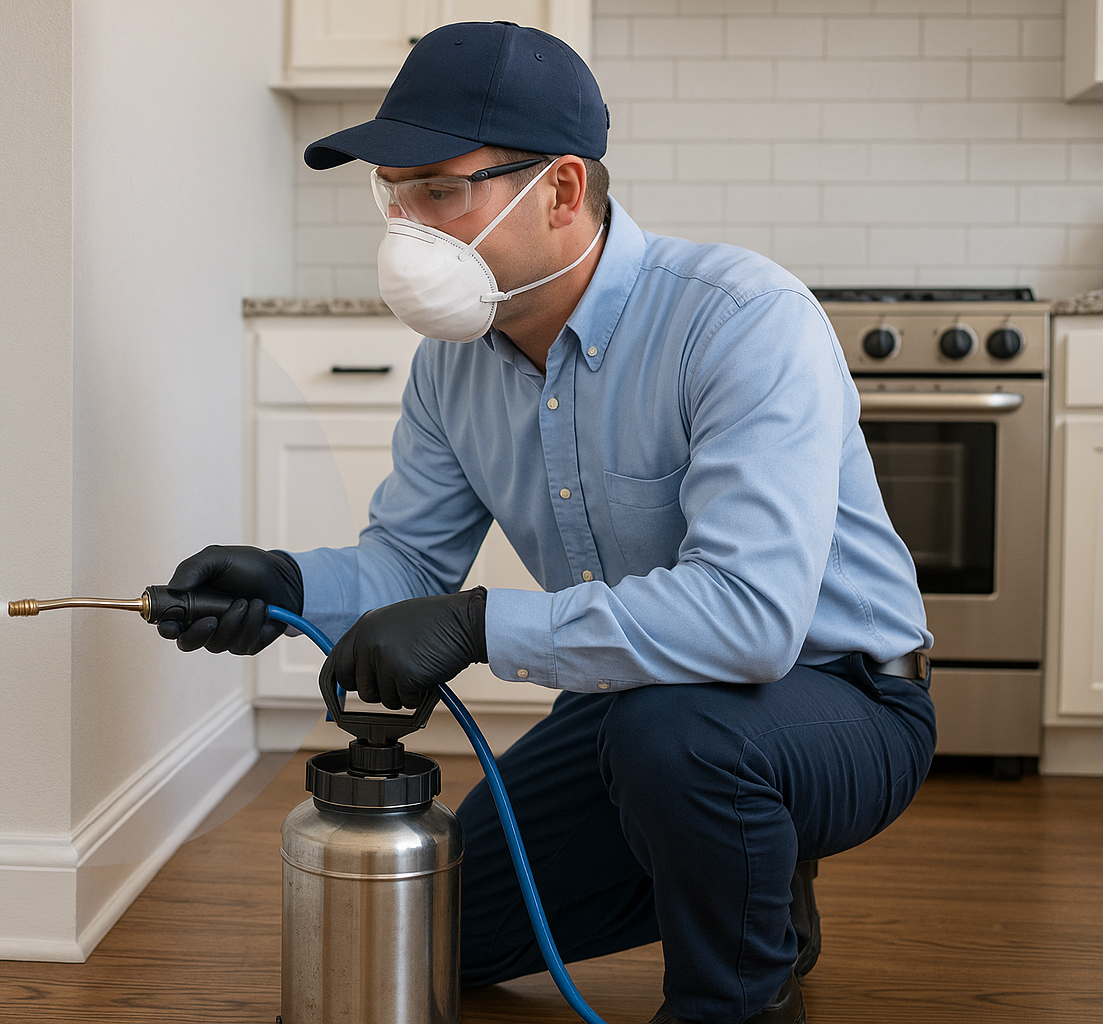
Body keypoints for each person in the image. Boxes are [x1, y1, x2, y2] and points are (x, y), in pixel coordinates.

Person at [159, 21, 935, 1024]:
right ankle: (752, 875)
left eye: (439, 188)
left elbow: (750, 620)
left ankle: (735, 989)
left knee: (682, 735)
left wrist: (478, 624)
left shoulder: (741, 319)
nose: (406, 224)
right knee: (458, 927)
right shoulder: (455, 364)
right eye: (392, 192)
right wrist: (286, 586)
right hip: (636, 703)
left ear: (562, 189)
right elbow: (406, 559)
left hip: (835, 697)